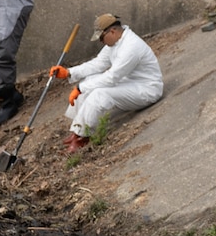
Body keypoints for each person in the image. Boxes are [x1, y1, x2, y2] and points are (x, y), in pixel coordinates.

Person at [51, 12, 164, 152]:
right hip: (130, 83)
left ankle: (83, 136)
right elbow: (98, 64)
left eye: (101, 38)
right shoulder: (115, 43)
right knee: (90, 80)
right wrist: (69, 72)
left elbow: (112, 77)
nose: (101, 42)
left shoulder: (131, 46)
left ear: (112, 31)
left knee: (99, 93)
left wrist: (80, 88)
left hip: (146, 89)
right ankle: (76, 131)